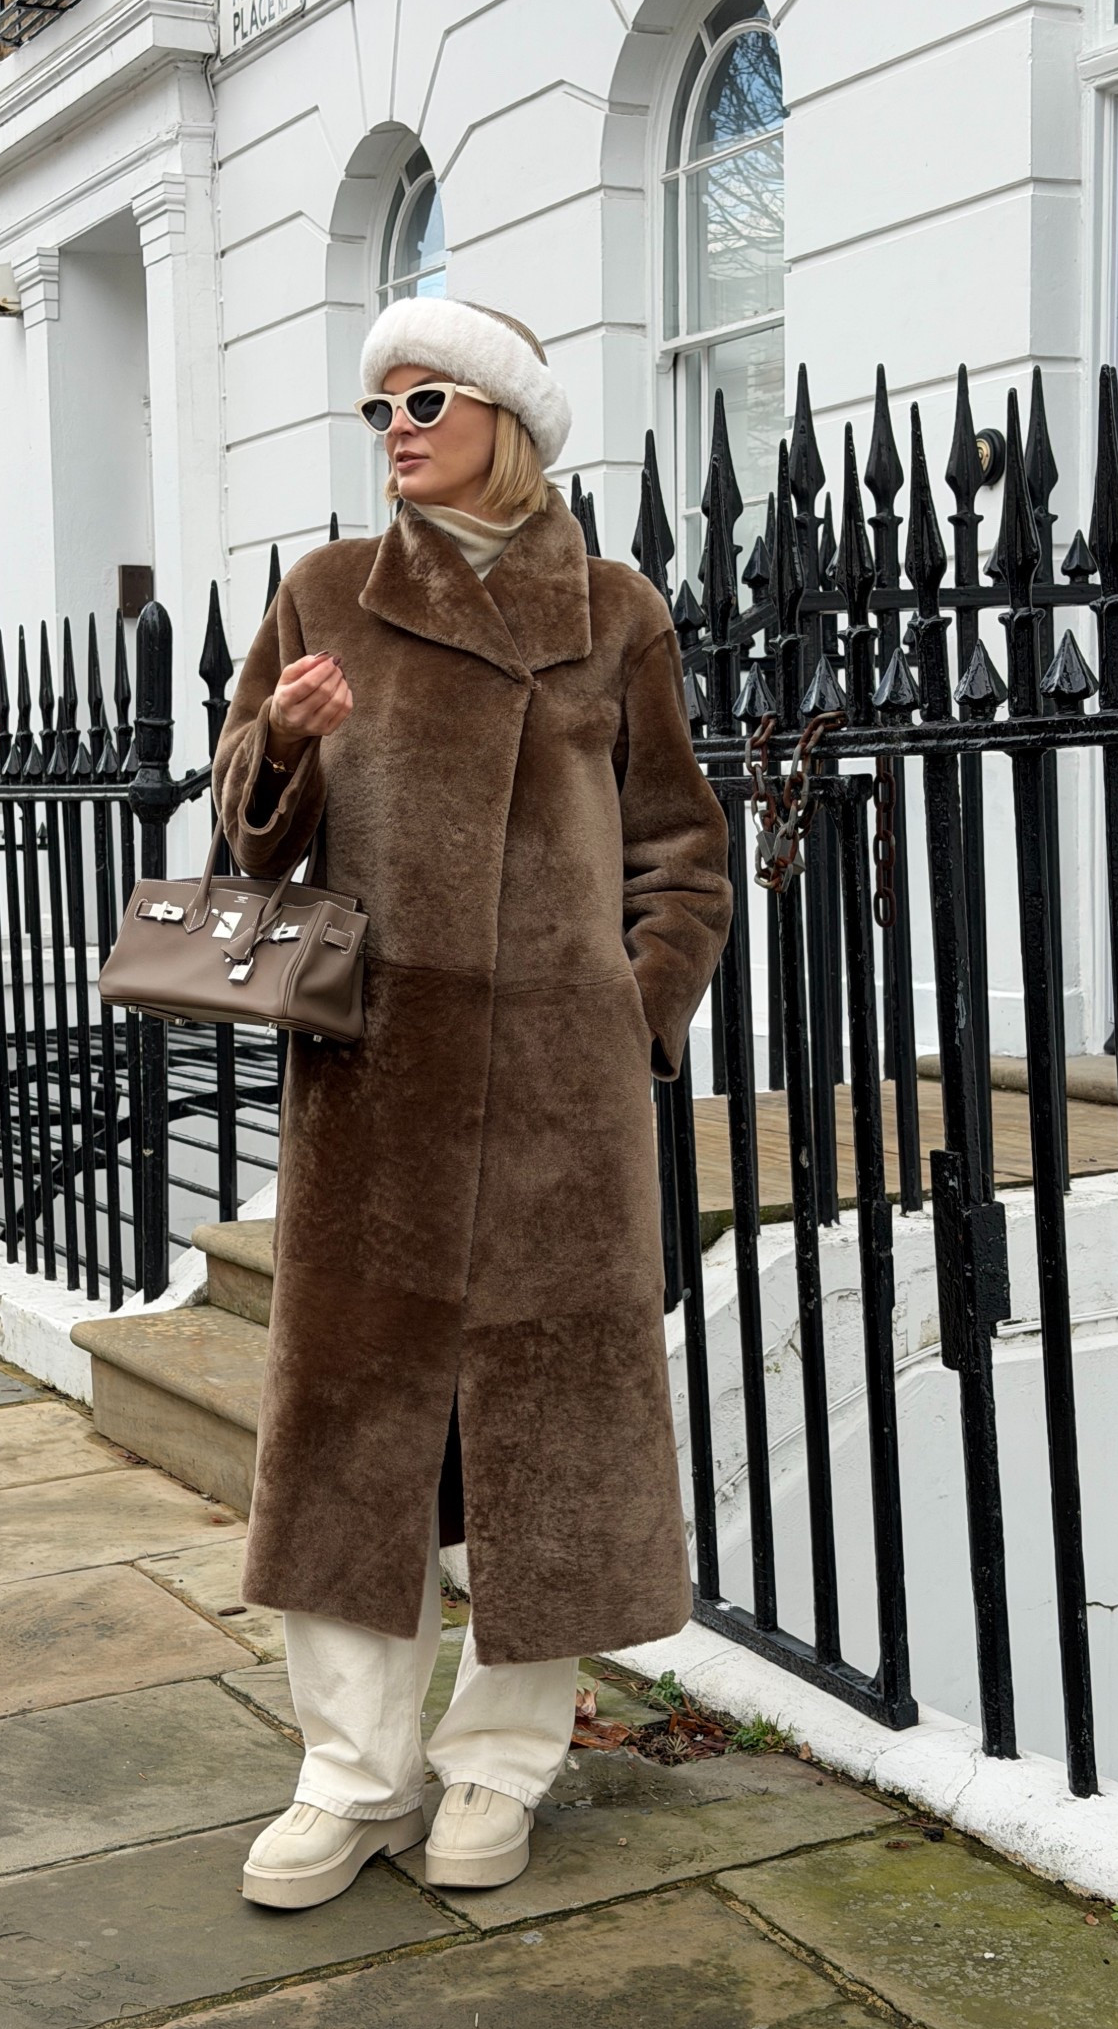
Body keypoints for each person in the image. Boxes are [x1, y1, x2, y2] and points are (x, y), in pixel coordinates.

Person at [212, 296, 732, 1910]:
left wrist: (631, 1016)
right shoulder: (327, 593)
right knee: (352, 1429)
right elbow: (248, 838)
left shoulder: (617, 613)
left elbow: (681, 848)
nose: (397, 429)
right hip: (377, 1086)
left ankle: (502, 1763)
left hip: (563, 1104)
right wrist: (283, 748)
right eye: (379, 407)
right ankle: (352, 1777)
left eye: (426, 398)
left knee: (545, 1431)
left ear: (508, 414)